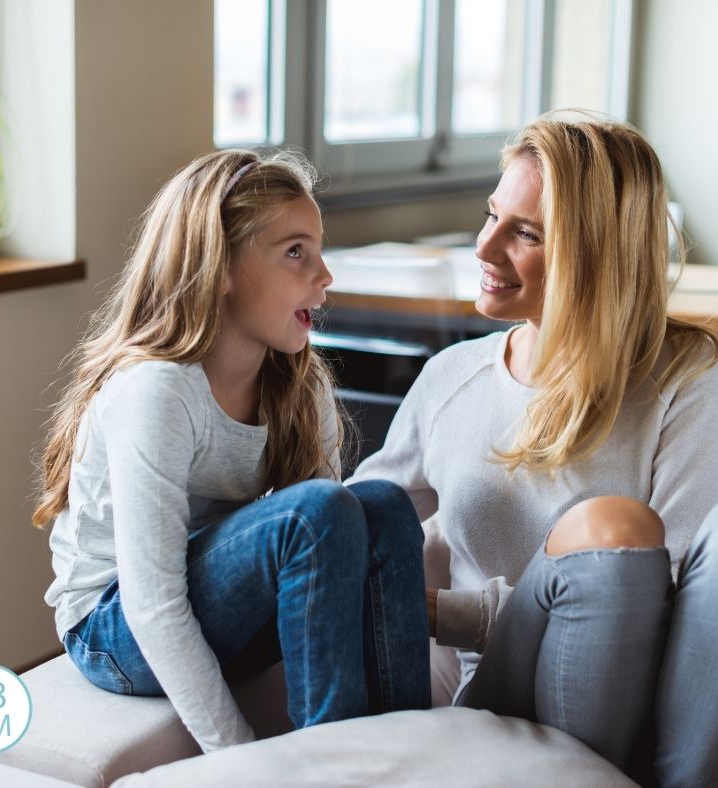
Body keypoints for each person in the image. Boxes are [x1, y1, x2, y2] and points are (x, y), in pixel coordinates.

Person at [350, 114, 718, 787]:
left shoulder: (688, 373)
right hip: (522, 707)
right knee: (609, 533)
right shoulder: (452, 379)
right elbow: (351, 526)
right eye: (491, 216)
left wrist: (452, 610)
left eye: (525, 234)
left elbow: (688, 603)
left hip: (682, 722)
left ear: (594, 253)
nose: (483, 249)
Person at [32, 149, 431, 754]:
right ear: (219, 266)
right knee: (313, 512)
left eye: (318, 251)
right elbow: (153, 603)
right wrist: (240, 760)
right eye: (296, 252)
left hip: (214, 607)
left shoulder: (301, 383)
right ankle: (324, 767)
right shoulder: (158, 391)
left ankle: (410, 754)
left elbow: (339, 554)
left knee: (380, 505)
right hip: (114, 627)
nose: (324, 276)